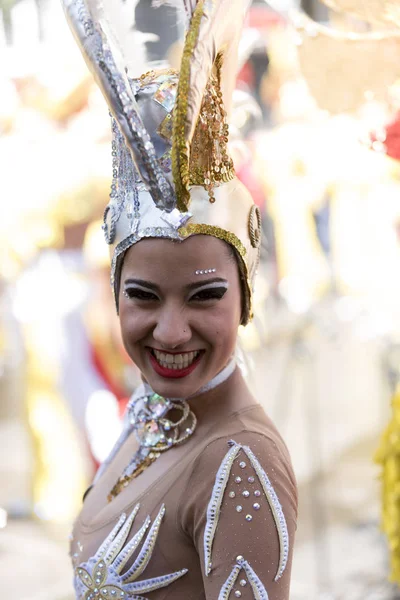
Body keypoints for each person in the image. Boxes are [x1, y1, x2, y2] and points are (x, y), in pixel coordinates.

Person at [62, 0, 298, 598]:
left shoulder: (239, 462)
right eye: (143, 296)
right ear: (114, 292)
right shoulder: (153, 409)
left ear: (245, 295)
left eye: (204, 296)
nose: (170, 332)